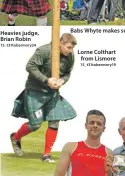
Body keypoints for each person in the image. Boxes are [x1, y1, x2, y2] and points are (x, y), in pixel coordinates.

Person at [10, 34, 77, 163]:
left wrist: (63, 80)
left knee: (54, 121)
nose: (70, 51)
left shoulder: (70, 56)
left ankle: (46, 155)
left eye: (72, 48)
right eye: (68, 47)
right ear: (60, 43)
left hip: (53, 93)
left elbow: (68, 73)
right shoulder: (44, 51)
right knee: (35, 125)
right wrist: (47, 80)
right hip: (35, 91)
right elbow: (30, 66)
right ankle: (16, 138)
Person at [49, 110, 113, 176]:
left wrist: (109, 174)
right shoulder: (71, 147)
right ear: (86, 126)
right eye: (92, 123)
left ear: (104, 128)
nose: (95, 125)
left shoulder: (109, 153)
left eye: (99, 124)